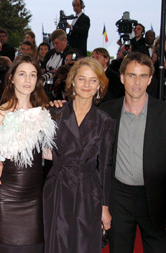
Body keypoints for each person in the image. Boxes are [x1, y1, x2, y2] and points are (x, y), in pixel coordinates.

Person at [99, 52, 166, 252]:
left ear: (150, 79)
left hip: (155, 197)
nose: (136, 82)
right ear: (122, 78)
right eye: (131, 75)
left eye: (142, 76)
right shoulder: (106, 111)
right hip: (118, 198)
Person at [0, 54, 55, 252]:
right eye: (22, 74)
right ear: (12, 78)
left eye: (33, 75)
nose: (28, 80)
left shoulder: (43, 114)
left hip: (35, 197)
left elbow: (47, 153)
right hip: (6, 196)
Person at [42, 57, 115, 253]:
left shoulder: (105, 121)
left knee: (84, 246)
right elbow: (40, 149)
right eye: (82, 79)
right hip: (58, 188)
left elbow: (106, 166)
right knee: (57, 244)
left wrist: (105, 206)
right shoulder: (55, 113)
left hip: (88, 192)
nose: (86, 85)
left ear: (99, 85)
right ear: (73, 81)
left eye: (93, 80)